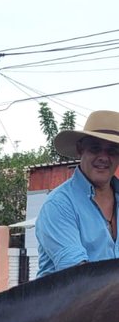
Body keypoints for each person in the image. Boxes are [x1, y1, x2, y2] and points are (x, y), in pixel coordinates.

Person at [36, 110, 119, 276]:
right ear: (81, 149)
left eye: (112, 151)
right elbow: (79, 276)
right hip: (68, 302)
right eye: (95, 148)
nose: (104, 157)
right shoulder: (59, 205)